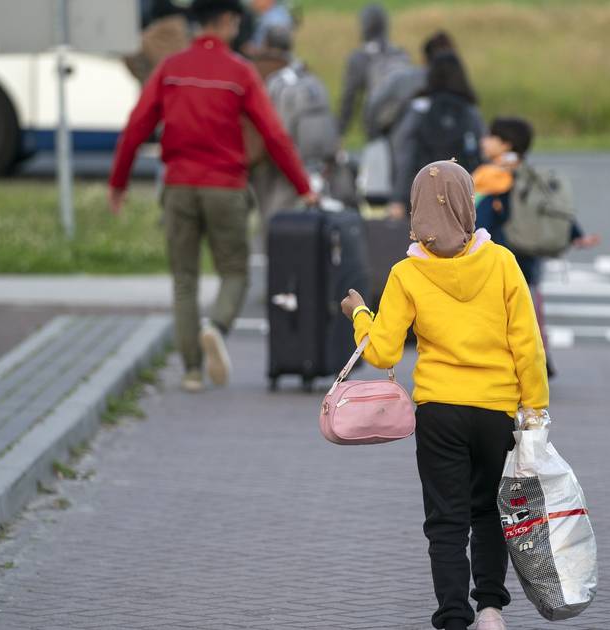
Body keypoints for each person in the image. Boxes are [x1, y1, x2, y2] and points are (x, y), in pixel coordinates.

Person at [338, 160, 548, 630]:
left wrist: (359, 314)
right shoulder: (501, 263)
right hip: (496, 410)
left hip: (438, 411)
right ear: (466, 203)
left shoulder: (407, 274)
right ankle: (491, 609)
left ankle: (454, 614)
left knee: (446, 520)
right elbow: (527, 344)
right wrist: (534, 408)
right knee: (491, 511)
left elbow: (386, 351)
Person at [108, 0, 316, 393]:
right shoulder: (240, 71)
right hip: (225, 188)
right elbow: (273, 135)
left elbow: (136, 126)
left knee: (184, 280)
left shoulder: (171, 68)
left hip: (179, 187)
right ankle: (217, 327)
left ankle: (191, 372)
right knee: (234, 272)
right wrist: (303, 186)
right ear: (226, 21)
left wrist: (118, 183)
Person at [473, 117, 599, 378]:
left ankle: (520, 364)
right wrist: (575, 234)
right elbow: (549, 209)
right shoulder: (530, 176)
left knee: (503, 316)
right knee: (529, 311)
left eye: (490, 136)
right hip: (529, 257)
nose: (483, 140)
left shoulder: (494, 177)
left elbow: (481, 218)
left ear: (505, 143)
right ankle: (539, 360)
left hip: (502, 255)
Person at [251, 25, 340, 228]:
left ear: (265, 43)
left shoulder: (269, 78)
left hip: (282, 164)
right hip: (316, 162)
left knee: (274, 222)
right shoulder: (311, 78)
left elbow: (271, 132)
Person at [389, 52, 484, 218]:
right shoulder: (469, 109)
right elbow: (482, 148)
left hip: (423, 187)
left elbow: (405, 151)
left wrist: (397, 196)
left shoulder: (420, 107)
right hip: (461, 190)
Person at [362, 30, 457, 141]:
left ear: (424, 59)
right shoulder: (459, 87)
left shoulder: (402, 79)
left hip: (401, 146)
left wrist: (375, 138)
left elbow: (373, 104)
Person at [337, 3, 410, 136]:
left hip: (378, 126)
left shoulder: (359, 58)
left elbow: (349, 101)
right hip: (407, 121)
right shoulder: (400, 54)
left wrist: (339, 133)